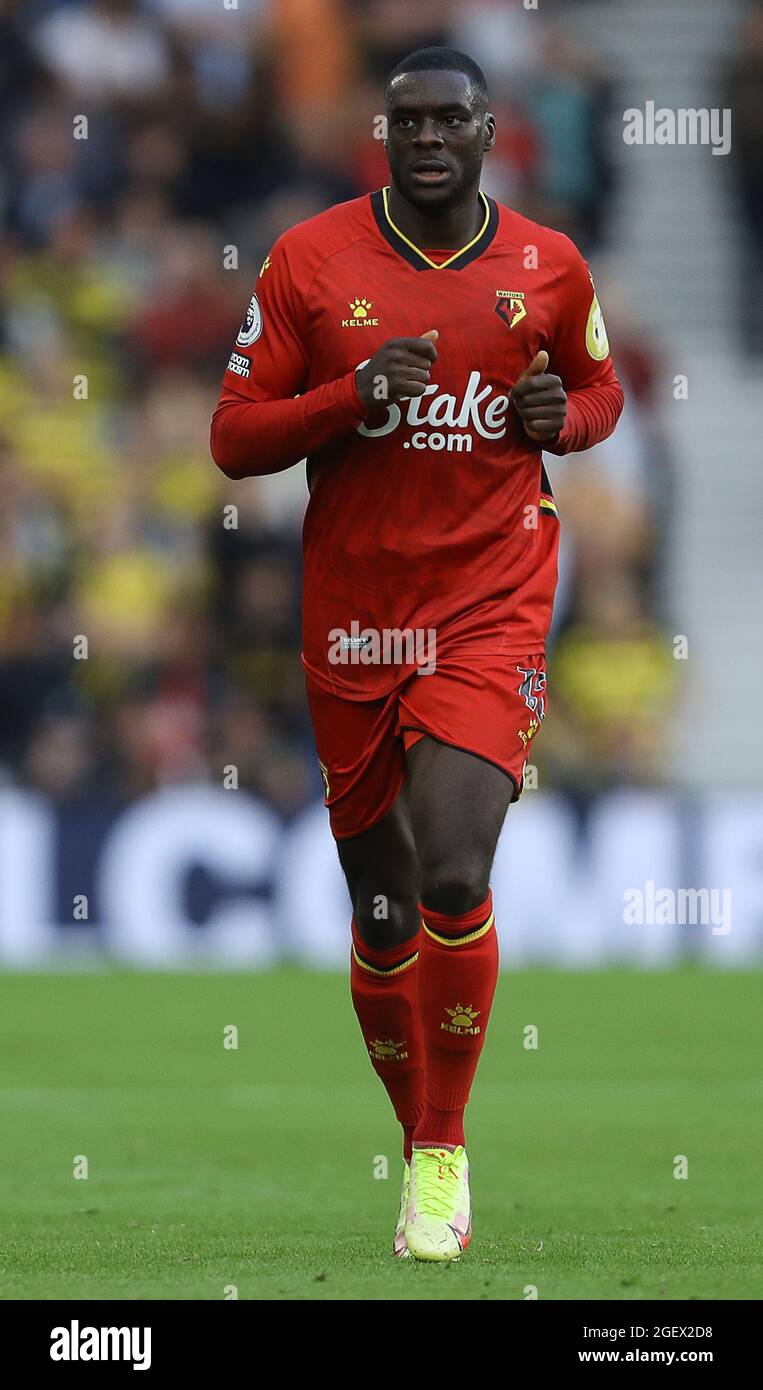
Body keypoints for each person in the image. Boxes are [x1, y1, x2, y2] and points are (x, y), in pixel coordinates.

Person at [210, 46, 623, 1262]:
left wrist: (569, 422)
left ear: (494, 132)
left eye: (451, 118)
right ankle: (420, 1139)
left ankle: (442, 1151)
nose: (428, 136)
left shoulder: (548, 266)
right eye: (407, 121)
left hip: (489, 602)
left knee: (451, 870)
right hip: (352, 615)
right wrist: (347, 398)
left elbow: (595, 392)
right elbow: (233, 439)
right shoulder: (310, 261)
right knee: (383, 909)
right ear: (379, 137)